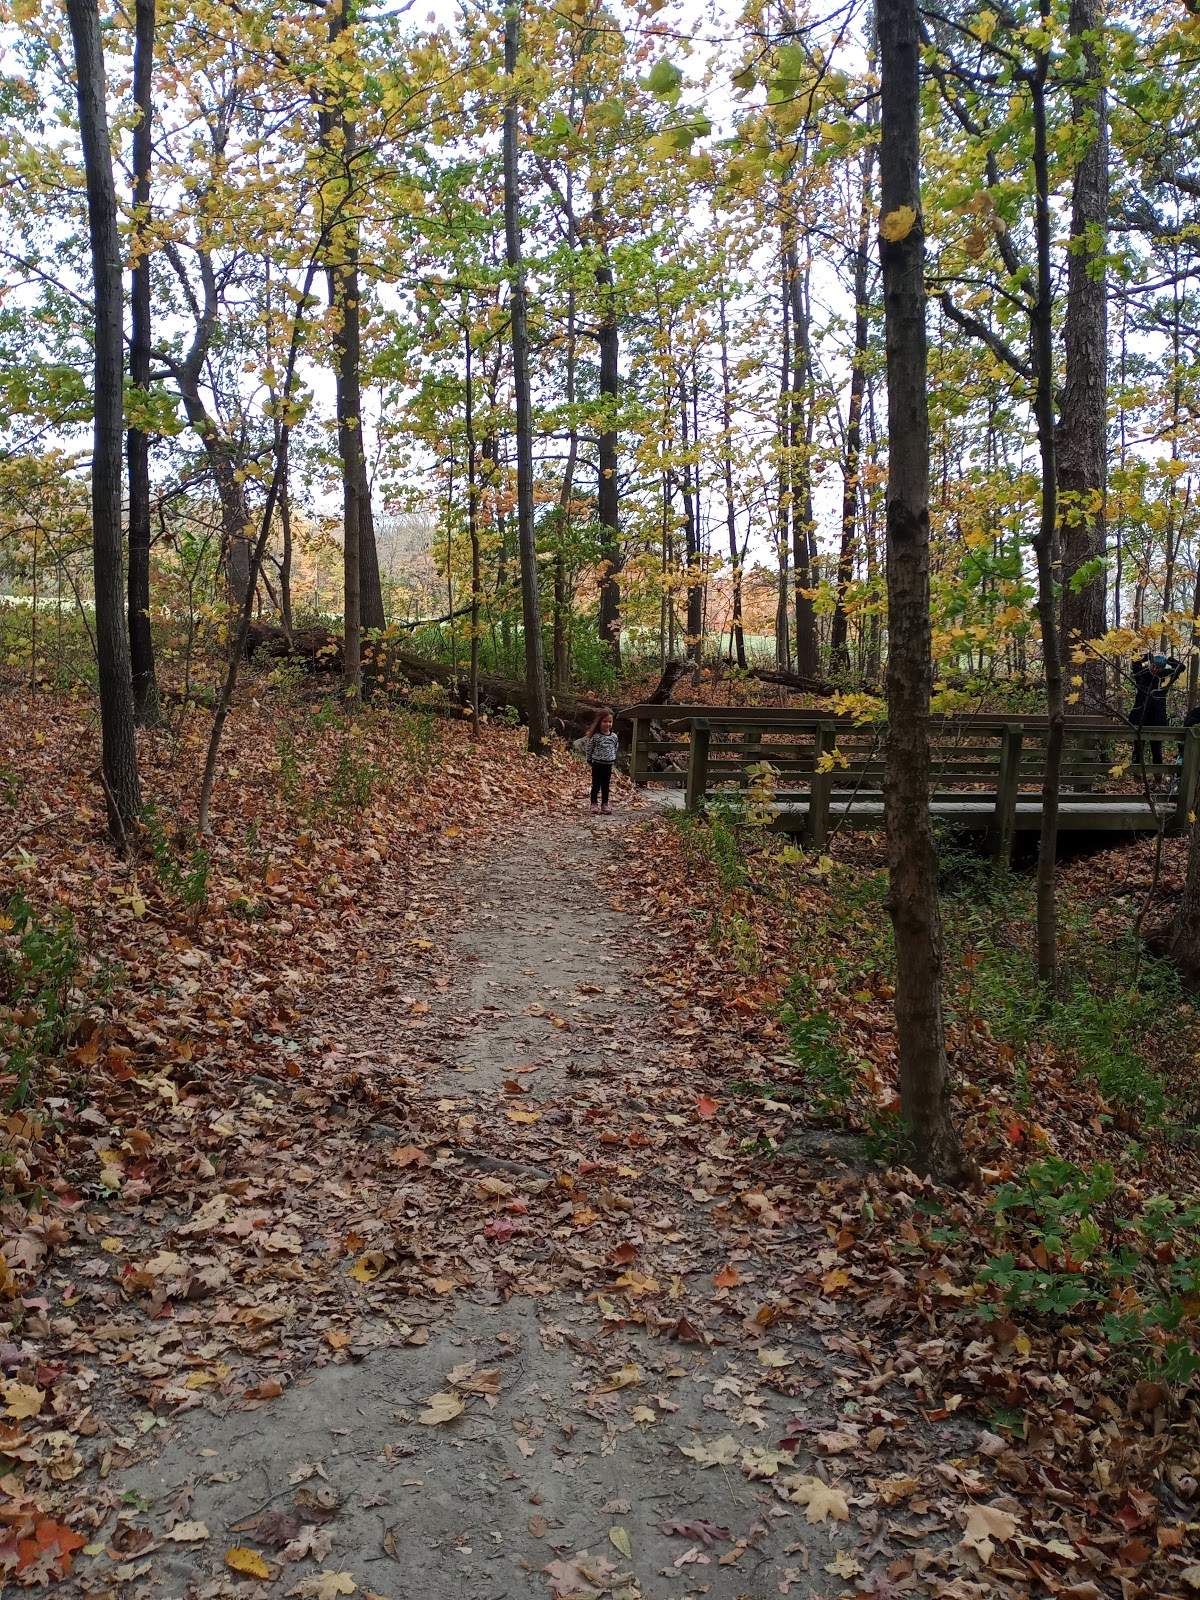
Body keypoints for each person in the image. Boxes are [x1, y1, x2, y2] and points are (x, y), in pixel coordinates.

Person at [1130, 652, 1183, 769]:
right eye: (1154, 665)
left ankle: (1157, 774)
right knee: (1138, 748)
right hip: (1140, 716)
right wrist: (1149, 656)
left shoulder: (1165, 676)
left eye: (1159, 667)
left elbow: (1181, 667)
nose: (1155, 669)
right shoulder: (1142, 673)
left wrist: (1168, 659)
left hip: (1157, 718)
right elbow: (1135, 660)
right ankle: (1136, 772)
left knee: (1157, 750)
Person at [585, 707, 619, 815]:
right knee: (596, 784)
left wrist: (612, 757)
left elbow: (615, 747)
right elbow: (589, 748)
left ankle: (605, 804)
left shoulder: (614, 737)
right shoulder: (596, 737)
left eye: (610, 722)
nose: (607, 724)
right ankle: (593, 803)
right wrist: (589, 759)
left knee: (606, 785)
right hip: (597, 764)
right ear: (599, 722)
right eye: (605, 721)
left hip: (608, 764)